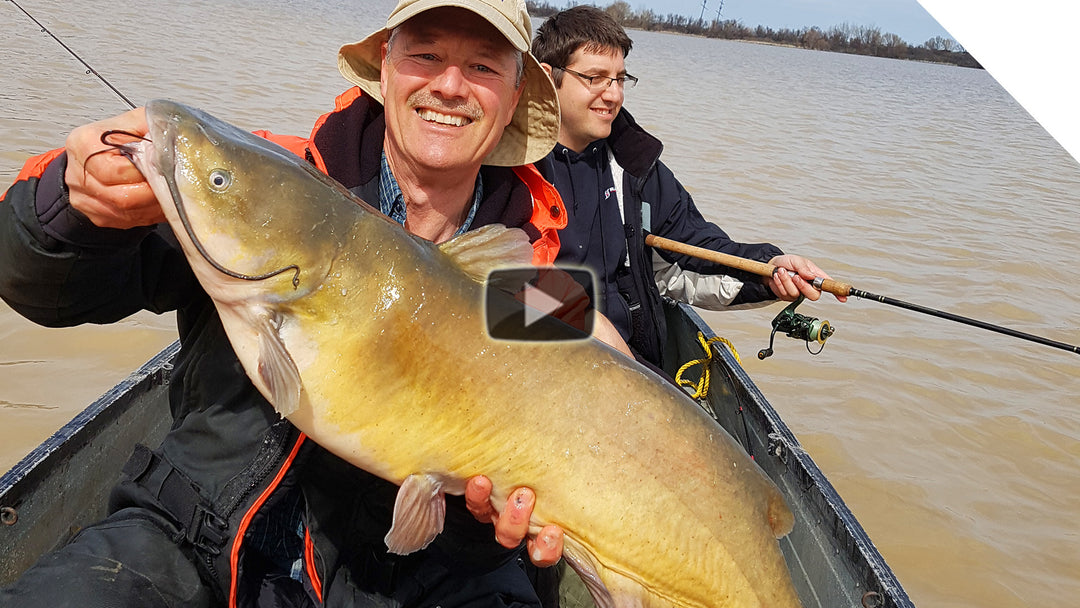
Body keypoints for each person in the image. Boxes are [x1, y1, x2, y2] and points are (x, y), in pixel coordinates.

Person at [0, 0, 573, 606]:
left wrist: (480, 529)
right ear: (385, 67)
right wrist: (71, 208)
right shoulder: (272, 180)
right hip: (188, 541)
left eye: (483, 66)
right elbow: (39, 289)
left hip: (411, 581)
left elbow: (594, 369)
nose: (449, 86)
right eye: (425, 55)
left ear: (514, 98)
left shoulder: (532, 267)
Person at [531, 6, 846, 369]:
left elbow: (698, 247)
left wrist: (770, 269)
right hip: (541, 361)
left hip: (634, 364)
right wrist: (593, 332)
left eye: (620, 79)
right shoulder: (509, 169)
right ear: (546, 77)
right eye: (595, 78)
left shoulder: (635, 167)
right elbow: (498, 287)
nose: (613, 95)